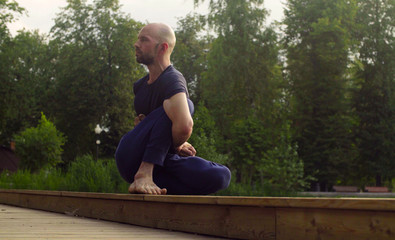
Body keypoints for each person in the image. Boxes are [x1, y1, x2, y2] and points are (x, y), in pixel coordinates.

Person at [115, 23, 231, 195]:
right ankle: (144, 174)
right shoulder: (140, 86)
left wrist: (174, 144)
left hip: (159, 165)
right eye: (138, 39)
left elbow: (181, 126)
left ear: (162, 47)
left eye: (143, 40)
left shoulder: (172, 80)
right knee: (186, 105)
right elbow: (166, 127)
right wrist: (177, 143)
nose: (136, 44)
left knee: (220, 175)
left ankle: (152, 185)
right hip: (132, 156)